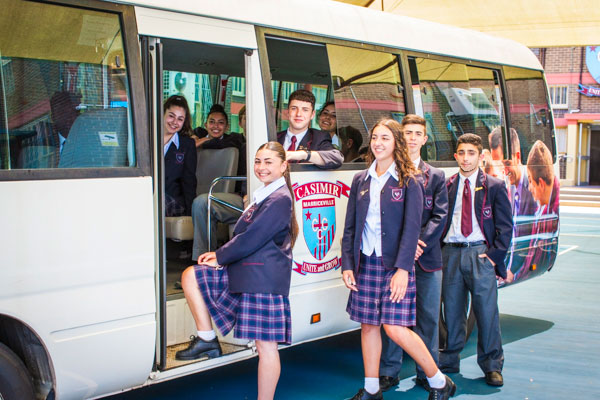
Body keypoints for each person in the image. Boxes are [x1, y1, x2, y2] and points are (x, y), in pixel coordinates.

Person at [342, 119, 456, 400]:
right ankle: (371, 390)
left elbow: (411, 228)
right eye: (375, 137)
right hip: (365, 263)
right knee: (368, 326)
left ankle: (440, 382)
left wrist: (403, 269)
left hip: (394, 266)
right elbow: (350, 228)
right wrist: (347, 264)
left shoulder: (410, 180)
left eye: (385, 138)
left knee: (394, 328)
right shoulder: (361, 179)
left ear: (396, 144)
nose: (378, 143)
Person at [176, 141, 298, 400]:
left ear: (283, 166)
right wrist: (218, 256)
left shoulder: (278, 198)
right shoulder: (266, 195)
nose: (261, 167)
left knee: (266, 349)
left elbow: (252, 238)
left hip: (262, 280)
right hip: (250, 274)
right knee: (191, 276)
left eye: (268, 162)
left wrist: (220, 256)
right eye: (257, 161)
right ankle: (207, 338)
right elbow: (247, 238)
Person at [378, 115, 448, 393]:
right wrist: (404, 248)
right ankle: (388, 372)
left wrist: (418, 244)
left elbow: (440, 216)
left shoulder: (436, 176)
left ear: (425, 139)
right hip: (395, 259)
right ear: (400, 136)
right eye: (407, 133)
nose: (412, 138)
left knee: (428, 317)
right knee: (393, 318)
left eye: (418, 133)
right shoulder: (386, 173)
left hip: (426, 258)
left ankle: (425, 372)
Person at [439, 133, 512, 387]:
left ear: (481, 156)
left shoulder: (494, 186)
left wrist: (493, 258)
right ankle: (449, 361)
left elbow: (505, 227)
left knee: (486, 312)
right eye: (462, 153)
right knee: (453, 311)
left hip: (480, 254)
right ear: (455, 156)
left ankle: (492, 365)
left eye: (471, 153)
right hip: (451, 253)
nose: (466, 158)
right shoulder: (446, 185)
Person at [190, 105, 247, 259]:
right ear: (205, 124)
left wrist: (204, 139)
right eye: (212, 122)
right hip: (202, 194)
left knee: (203, 202)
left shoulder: (234, 142)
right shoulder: (198, 139)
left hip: (229, 195)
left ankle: (203, 261)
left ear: (227, 126)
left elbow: (221, 142)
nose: (216, 126)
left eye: (221, 123)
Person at [514, 140, 559, 281]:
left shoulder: (549, 211)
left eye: (530, 182)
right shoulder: (544, 210)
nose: (529, 189)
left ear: (540, 183)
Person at [277, 90, 343, 169]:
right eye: (294, 108)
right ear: (288, 112)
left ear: (312, 114)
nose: (298, 114)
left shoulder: (319, 138)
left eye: (305, 110)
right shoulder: (275, 137)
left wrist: (303, 154)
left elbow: (336, 158)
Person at [163, 95, 197, 217]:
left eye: (180, 119)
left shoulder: (187, 145)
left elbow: (189, 181)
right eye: (171, 116)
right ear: (162, 114)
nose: (174, 122)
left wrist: (190, 215)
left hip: (173, 201)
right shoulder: (148, 141)